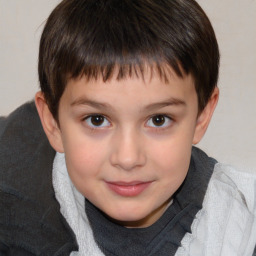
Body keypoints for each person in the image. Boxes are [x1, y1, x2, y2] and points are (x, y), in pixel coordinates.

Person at [0, 0, 256, 255]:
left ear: (202, 116)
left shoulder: (240, 227)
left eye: (158, 120)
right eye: (97, 120)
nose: (128, 158)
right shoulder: (14, 191)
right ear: (53, 123)